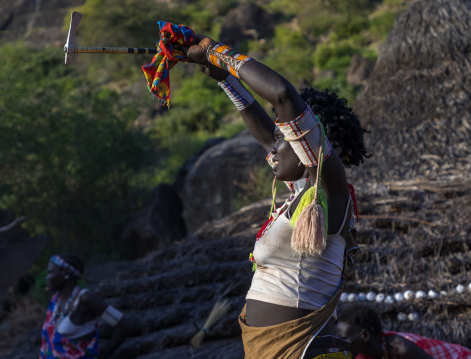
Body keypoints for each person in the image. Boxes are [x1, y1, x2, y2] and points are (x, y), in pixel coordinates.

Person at [180, 35, 369, 358]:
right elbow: (267, 137)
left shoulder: (328, 191)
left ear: (309, 145)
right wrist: (225, 79)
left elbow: (282, 95)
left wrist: (217, 53)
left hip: (302, 351)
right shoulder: (301, 192)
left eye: (286, 138)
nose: (275, 148)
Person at [40, 254, 130, 359]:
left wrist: (103, 355)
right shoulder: (55, 300)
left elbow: (124, 324)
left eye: (50, 272)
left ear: (66, 273)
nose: (47, 277)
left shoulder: (85, 299)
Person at [336, 305, 471, 359]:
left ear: (365, 335)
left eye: (344, 338)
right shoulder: (364, 354)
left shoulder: (401, 348)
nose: (339, 344)